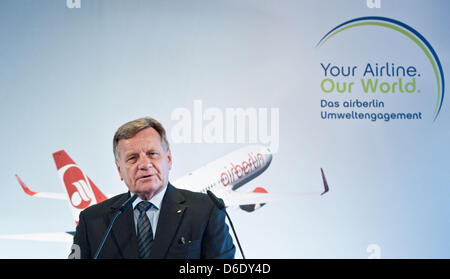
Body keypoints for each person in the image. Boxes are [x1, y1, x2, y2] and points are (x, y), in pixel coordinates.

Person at [71, 117, 236, 259]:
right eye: (132, 158)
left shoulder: (207, 211)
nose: (144, 164)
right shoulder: (91, 220)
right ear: (119, 170)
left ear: (169, 159)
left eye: (152, 154)